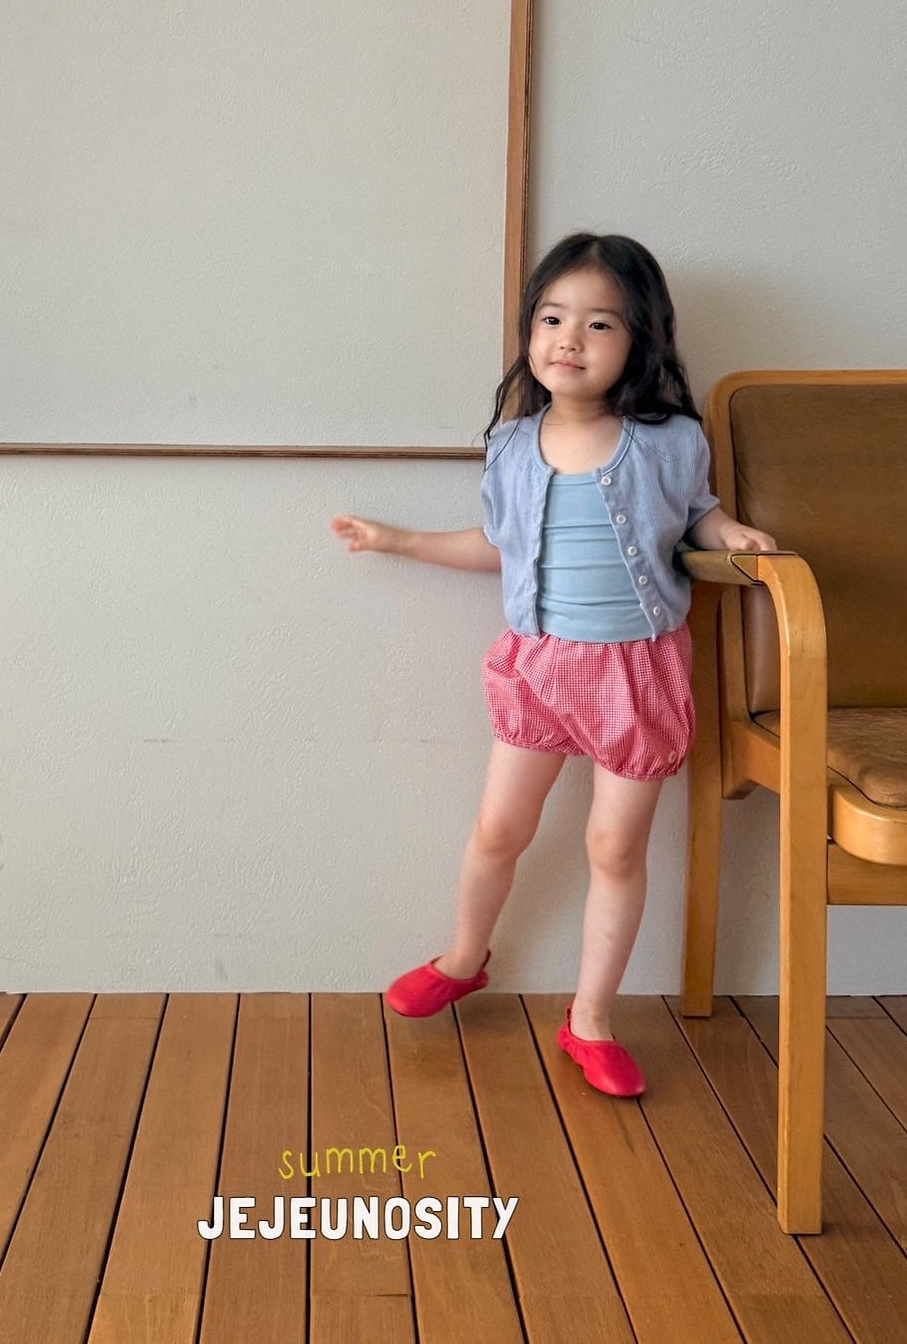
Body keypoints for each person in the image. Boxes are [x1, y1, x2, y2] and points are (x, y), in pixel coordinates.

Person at [329, 231, 776, 1097]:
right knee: (498, 830)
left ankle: (591, 1021)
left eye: (599, 323)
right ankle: (464, 957)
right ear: (531, 333)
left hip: (636, 673)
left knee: (615, 847)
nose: (570, 338)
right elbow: (500, 547)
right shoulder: (511, 445)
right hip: (539, 667)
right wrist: (401, 541)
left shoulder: (670, 440)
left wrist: (732, 535)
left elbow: (698, 514)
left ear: (639, 340)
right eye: (552, 318)